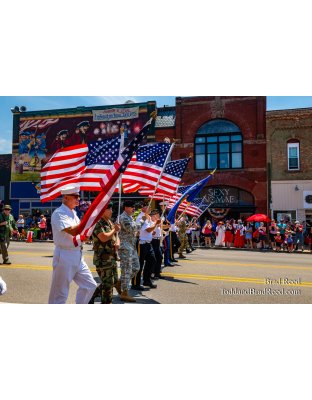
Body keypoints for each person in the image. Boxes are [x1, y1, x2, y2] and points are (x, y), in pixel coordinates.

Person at [48, 186, 97, 304]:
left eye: (79, 197)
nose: (78, 199)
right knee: (60, 293)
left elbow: (79, 233)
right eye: (75, 197)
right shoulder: (59, 213)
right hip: (65, 255)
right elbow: (73, 231)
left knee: (90, 285)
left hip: (77, 254)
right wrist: (89, 220)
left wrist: (85, 234)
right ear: (65, 197)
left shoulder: (73, 213)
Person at [88, 202, 121, 304]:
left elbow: (116, 235)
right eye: (109, 209)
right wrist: (114, 230)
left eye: (111, 209)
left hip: (112, 257)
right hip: (103, 258)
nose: (111, 211)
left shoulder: (109, 222)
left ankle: (91, 295)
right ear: (102, 210)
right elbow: (103, 237)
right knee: (107, 284)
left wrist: (117, 242)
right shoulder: (98, 223)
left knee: (114, 281)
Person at [119, 200, 142, 300]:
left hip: (131, 246)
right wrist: (142, 221)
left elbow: (134, 231)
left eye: (134, 207)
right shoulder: (123, 217)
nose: (134, 209)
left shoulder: (130, 217)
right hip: (125, 247)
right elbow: (132, 229)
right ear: (126, 208)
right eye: (132, 207)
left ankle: (120, 282)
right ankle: (124, 292)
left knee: (136, 267)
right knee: (126, 270)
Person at [133, 203, 160, 289]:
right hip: (141, 243)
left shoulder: (148, 217)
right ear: (142, 208)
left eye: (150, 206)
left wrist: (153, 230)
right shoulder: (141, 217)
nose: (149, 208)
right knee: (139, 264)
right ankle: (135, 284)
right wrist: (155, 224)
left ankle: (146, 280)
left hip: (148, 243)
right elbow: (148, 230)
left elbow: (150, 229)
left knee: (152, 260)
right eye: (147, 207)